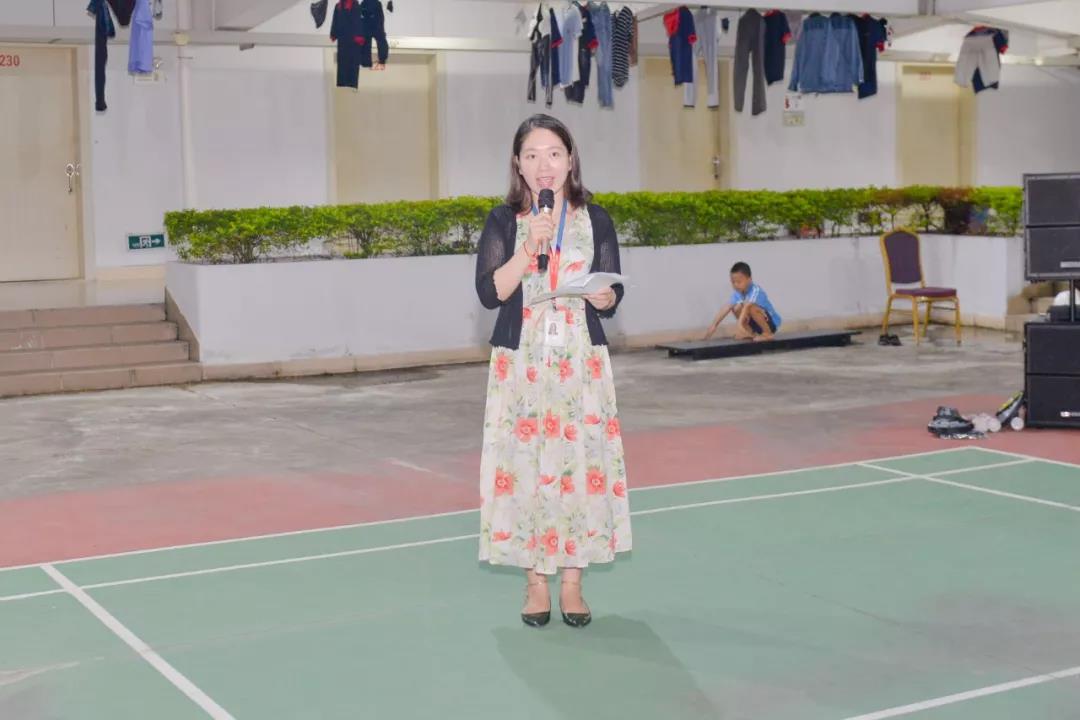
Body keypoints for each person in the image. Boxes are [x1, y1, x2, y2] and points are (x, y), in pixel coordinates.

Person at [474, 114, 632, 629]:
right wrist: (527, 248)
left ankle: (572, 584)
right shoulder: (503, 220)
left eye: (554, 154)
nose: (544, 165)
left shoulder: (596, 218)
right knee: (525, 469)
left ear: (570, 160)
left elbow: (611, 288)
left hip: (579, 364)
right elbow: (489, 292)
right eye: (533, 155)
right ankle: (535, 584)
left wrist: (606, 297)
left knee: (579, 469)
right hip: (521, 364)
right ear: (518, 165)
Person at [703, 261, 782, 342]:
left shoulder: (756, 290)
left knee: (750, 307)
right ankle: (749, 332)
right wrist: (714, 325)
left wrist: (739, 325)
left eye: (739, 282)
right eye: (733, 282)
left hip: (770, 324)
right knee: (736, 307)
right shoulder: (738, 293)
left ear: (749, 280)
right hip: (756, 324)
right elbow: (727, 307)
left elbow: (748, 306)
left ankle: (768, 334)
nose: (736, 285)